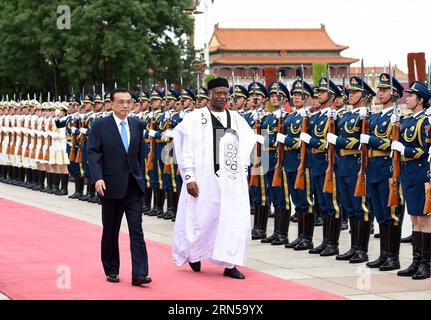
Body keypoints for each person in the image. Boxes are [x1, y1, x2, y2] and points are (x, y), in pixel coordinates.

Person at [172, 77, 256, 279]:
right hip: (203, 180)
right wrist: (189, 177)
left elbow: (246, 145)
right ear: (209, 94)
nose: (222, 96)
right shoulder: (195, 118)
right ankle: (195, 255)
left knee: (232, 219)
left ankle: (230, 263)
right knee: (201, 218)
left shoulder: (236, 119)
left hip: (230, 181)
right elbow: (184, 148)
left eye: (225, 93)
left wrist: (242, 173)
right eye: (217, 93)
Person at [87, 88, 151, 286]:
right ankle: (112, 268)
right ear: (111, 104)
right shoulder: (100, 126)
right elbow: (93, 154)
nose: (125, 105)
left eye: (129, 102)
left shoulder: (137, 125)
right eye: (121, 102)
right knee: (111, 230)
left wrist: (140, 176)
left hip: (133, 186)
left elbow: (139, 155)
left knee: (137, 230)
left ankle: (139, 273)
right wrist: (97, 178)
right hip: (111, 185)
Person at [396, 81, 431, 279]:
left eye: (411, 96)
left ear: (420, 100)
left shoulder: (425, 122)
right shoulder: (407, 120)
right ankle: (416, 260)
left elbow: (425, 151)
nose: (406, 98)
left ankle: (426, 263)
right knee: (415, 219)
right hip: (408, 173)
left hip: (420, 172)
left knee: (425, 220)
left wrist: (405, 150)